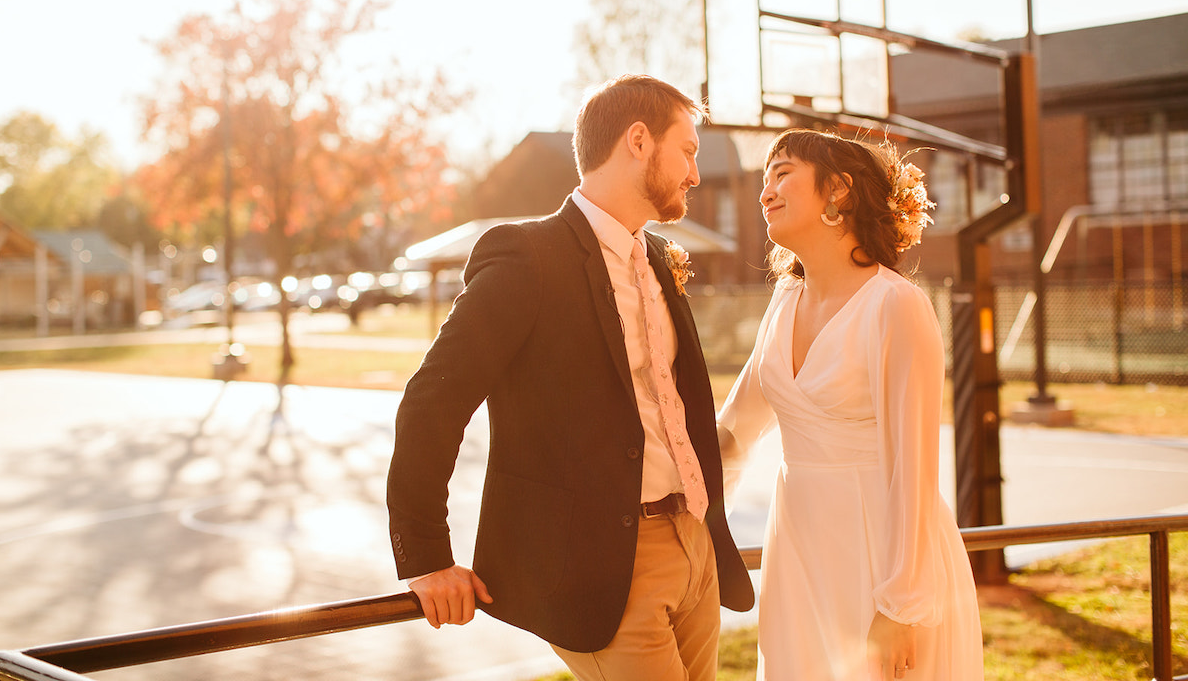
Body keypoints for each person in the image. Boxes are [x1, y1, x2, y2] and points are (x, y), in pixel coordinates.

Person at [386, 74, 755, 681]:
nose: (694, 173)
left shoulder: (660, 259)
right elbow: (434, 399)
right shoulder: (525, 257)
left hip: (696, 550)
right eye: (687, 150)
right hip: (603, 571)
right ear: (638, 141)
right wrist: (426, 556)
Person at [717, 128, 983, 681]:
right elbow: (735, 430)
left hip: (881, 557)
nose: (765, 190)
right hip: (797, 551)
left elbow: (912, 468)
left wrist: (898, 606)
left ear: (837, 190)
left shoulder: (896, 307)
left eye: (783, 172)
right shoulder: (784, 299)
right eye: (765, 178)